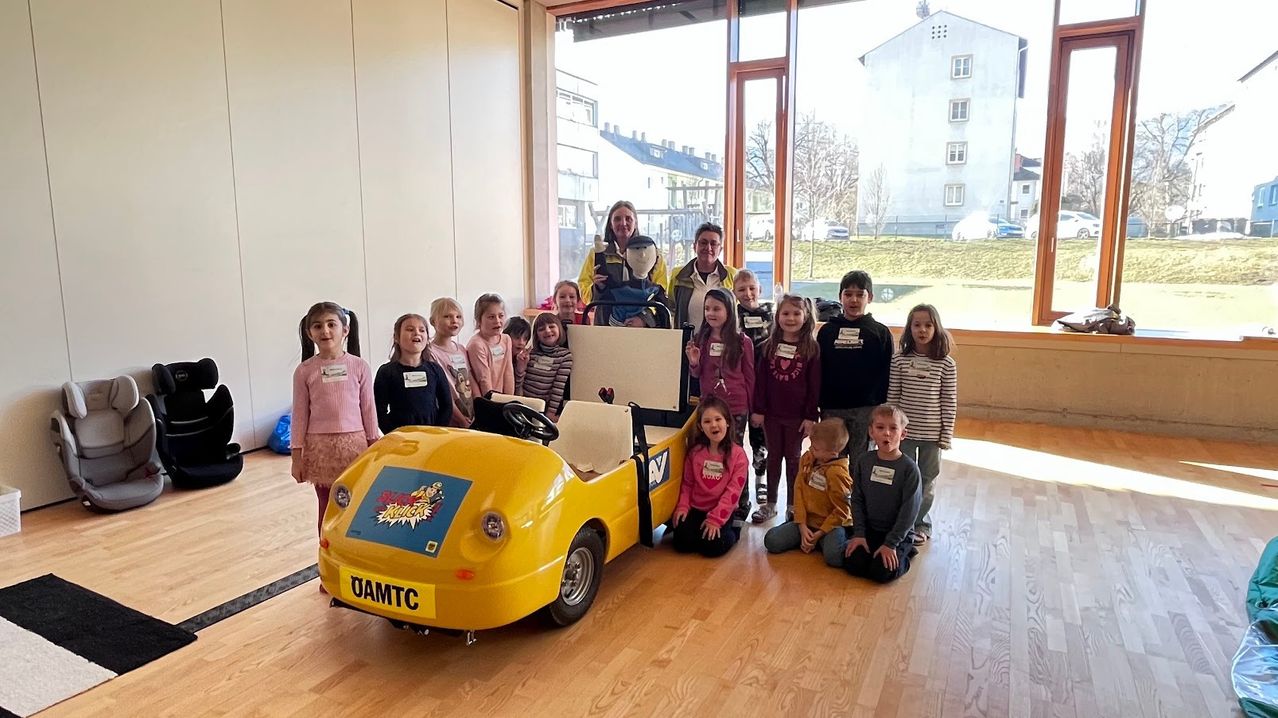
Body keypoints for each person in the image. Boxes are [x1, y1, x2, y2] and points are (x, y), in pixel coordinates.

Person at [291, 302, 379, 538]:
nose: (325, 331)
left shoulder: (359, 366)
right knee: (327, 503)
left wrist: (374, 447)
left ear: (345, 330)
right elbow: (299, 416)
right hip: (320, 449)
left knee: (357, 500)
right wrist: (297, 458)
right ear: (310, 333)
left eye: (331, 324)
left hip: (355, 447)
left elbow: (369, 409)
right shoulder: (304, 371)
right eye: (318, 326)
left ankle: (356, 546)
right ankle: (327, 548)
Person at [887, 304, 957, 546]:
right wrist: (888, 431)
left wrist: (946, 434)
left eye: (928, 325)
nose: (922, 330)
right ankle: (900, 521)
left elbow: (949, 401)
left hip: (932, 434)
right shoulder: (899, 360)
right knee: (903, 477)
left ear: (936, 328)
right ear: (909, 328)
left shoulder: (946, 364)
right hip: (903, 433)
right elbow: (893, 397)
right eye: (916, 325)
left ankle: (920, 523)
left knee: (927, 479)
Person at [751, 293, 821, 523]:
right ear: (777, 316)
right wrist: (758, 410)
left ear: (806, 316)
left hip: (797, 417)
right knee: (773, 458)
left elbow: (814, 386)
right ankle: (770, 504)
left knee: (793, 459)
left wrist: (811, 416)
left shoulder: (811, 349)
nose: (790, 318)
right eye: (785, 313)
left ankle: (793, 504)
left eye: (796, 313)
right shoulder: (768, 346)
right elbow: (760, 382)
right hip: (771, 415)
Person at [816, 270, 894, 458]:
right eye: (848, 294)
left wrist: (880, 408)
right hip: (832, 407)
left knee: (862, 459)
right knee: (833, 458)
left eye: (860, 294)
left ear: (870, 297)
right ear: (840, 297)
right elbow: (819, 369)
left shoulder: (880, 333)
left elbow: (887, 372)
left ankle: (860, 489)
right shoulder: (827, 332)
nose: (854, 300)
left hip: (866, 409)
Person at [843, 404, 922, 584]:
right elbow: (857, 499)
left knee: (880, 573)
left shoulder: (909, 469)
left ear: (903, 434)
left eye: (893, 428)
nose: (887, 433)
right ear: (871, 432)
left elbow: (909, 511)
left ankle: (906, 552)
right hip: (870, 530)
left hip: (897, 534)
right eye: (880, 428)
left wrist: (891, 544)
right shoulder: (864, 461)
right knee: (853, 565)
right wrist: (859, 533)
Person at [762, 418, 851, 566]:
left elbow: (843, 510)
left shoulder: (838, 474)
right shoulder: (807, 459)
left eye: (816, 448)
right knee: (771, 541)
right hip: (806, 521)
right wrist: (802, 525)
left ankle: (820, 540)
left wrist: (820, 533)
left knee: (834, 558)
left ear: (833, 453)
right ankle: (809, 540)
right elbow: (798, 490)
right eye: (811, 445)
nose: (810, 450)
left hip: (830, 526)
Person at [672, 396, 748, 558]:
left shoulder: (738, 456)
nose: (713, 425)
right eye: (707, 421)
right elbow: (687, 484)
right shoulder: (695, 453)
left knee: (712, 547)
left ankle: (735, 528)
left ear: (727, 422)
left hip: (721, 510)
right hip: (697, 508)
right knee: (680, 543)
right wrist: (683, 506)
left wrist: (716, 519)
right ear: (700, 427)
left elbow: (733, 492)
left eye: (718, 419)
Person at [685, 288, 755, 446]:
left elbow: (750, 376)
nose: (710, 313)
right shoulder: (700, 340)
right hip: (709, 408)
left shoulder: (743, 341)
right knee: (711, 450)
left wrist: (753, 410)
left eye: (716, 309)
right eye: (707, 308)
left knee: (734, 449)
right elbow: (696, 374)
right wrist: (694, 362)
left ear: (729, 311)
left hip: (736, 407)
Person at [577, 200, 670, 305]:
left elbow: (661, 292)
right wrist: (597, 288)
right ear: (611, 225)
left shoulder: (653, 254)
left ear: (635, 223)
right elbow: (584, 290)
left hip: (642, 319)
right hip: (605, 318)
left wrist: (643, 318)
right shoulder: (597, 253)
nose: (623, 223)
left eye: (628, 219)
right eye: (617, 219)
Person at [373, 313, 453, 434]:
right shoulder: (386, 372)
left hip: (432, 435)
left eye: (422, 330)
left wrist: (437, 432)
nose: (417, 333)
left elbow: (446, 405)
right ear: (396, 337)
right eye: (410, 329)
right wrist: (394, 434)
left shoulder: (435, 370)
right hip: (401, 439)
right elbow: (379, 410)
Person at [734, 268, 773, 504]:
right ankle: (739, 485)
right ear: (734, 292)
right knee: (736, 439)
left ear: (759, 289)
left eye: (751, 288)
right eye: (741, 289)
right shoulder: (732, 315)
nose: (748, 293)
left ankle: (761, 479)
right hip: (740, 385)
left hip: (764, 386)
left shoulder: (771, 313)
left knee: (761, 439)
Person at [669, 222, 737, 331]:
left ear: (720, 249)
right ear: (694, 246)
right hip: (688, 343)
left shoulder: (732, 275)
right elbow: (672, 309)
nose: (708, 248)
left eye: (714, 243)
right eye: (703, 243)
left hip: (722, 344)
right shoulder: (678, 275)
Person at [427, 297, 476, 428]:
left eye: (458, 316)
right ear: (433, 321)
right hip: (450, 419)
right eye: (447, 316)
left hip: (470, 412)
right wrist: (462, 421)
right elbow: (441, 392)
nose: (454, 320)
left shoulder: (461, 349)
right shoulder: (430, 352)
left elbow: (470, 379)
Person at [522, 312, 573, 422]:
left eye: (551, 326)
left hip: (542, 408)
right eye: (541, 329)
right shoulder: (531, 352)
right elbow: (522, 378)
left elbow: (558, 387)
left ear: (559, 329)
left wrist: (551, 412)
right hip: (522, 402)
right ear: (536, 335)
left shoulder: (565, 356)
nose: (547, 331)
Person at [467, 293, 516, 397]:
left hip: (502, 399)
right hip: (486, 399)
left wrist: (509, 399)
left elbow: (508, 372)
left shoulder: (506, 339)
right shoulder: (476, 344)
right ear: (479, 320)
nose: (497, 321)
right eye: (491, 317)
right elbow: (483, 379)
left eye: (501, 316)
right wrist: (493, 404)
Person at [503, 316, 532, 395]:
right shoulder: (500, 358)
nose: (521, 342)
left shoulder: (521, 359)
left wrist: (520, 371)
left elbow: (518, 395)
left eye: (525, 339)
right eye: (517, 337)